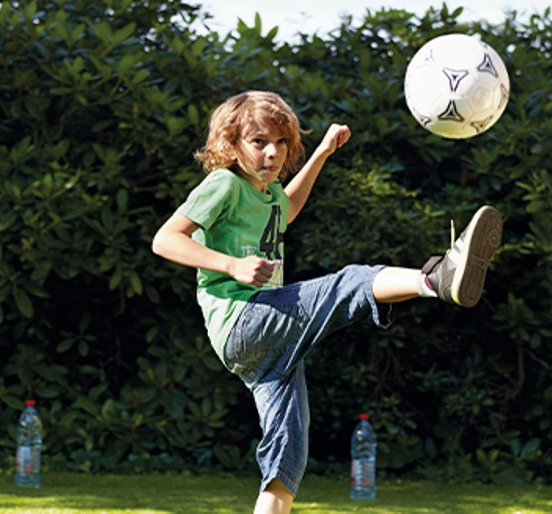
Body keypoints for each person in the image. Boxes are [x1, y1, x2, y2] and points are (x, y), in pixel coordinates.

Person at [152, 90, 503, 514]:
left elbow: (288, 209)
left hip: (258, 343)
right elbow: (166, 239)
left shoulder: (266, 193)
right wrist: (231, 266)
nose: (273, 153)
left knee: (288, 453)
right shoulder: (224, 183)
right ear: (230, 144)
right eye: (259, 141)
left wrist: (320, 153)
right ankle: (437, 279)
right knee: (349, 284)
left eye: (282, 143)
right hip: (245, 318)